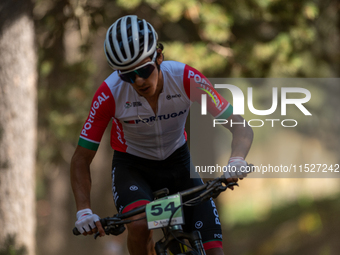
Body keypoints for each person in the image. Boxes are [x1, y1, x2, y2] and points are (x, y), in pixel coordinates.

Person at [70, 15, 253, 255]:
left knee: (213, 249)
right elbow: (81, 159)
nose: (138, 81)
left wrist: (236, 159)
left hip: (178, 163)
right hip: (133, 169)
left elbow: (240, 126)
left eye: (144, 70)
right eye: (127, 75)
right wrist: (84, 210)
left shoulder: (186, 78)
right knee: (138, 224)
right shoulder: (109, 93)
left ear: (159, 56)